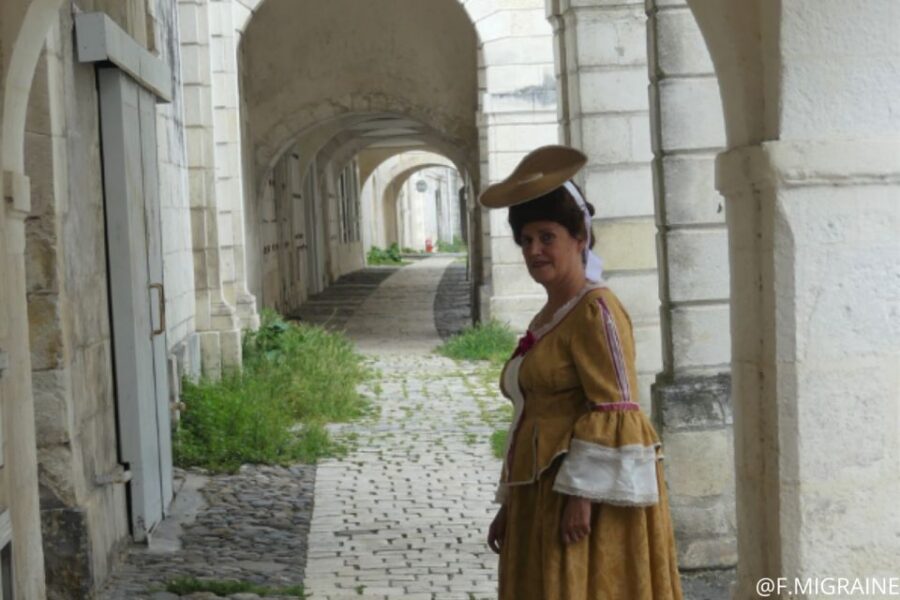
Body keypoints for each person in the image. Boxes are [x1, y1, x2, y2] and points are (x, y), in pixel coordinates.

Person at [480, 145, 683, 600]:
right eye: (526, 240)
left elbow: (616, 407)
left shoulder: (597, 311)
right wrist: (511, 504)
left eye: (547, 237)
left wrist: (582, 497)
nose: (534, 250)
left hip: (584, 505)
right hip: (542, 497)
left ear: (579, 239)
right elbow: (531, 417)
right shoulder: (552, 314)